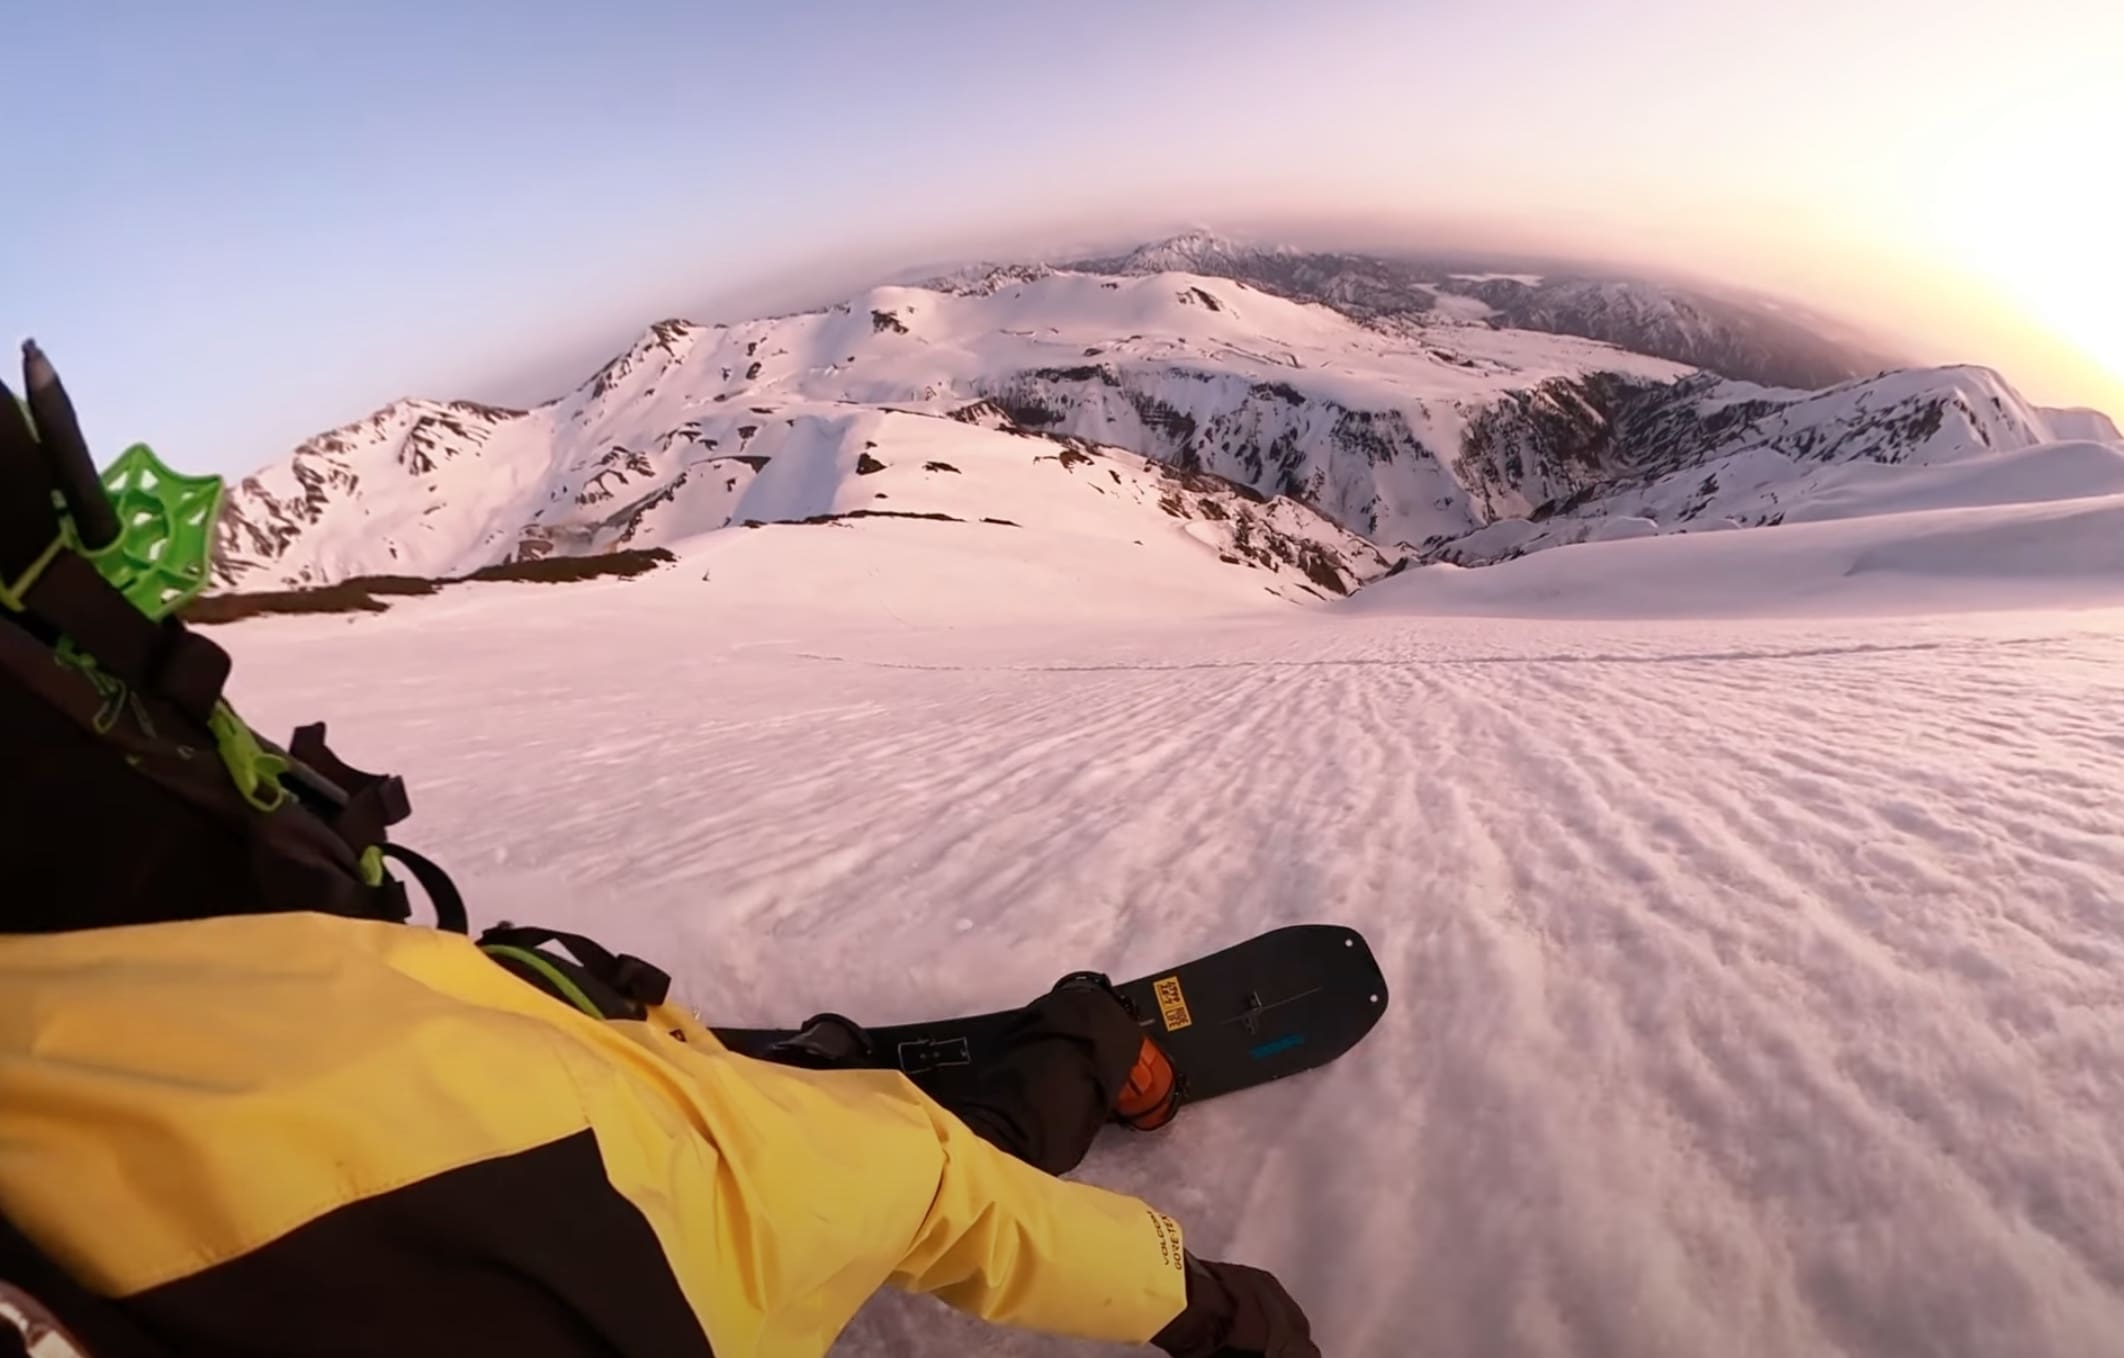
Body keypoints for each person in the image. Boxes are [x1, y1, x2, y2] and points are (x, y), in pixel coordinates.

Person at [0, 346, 1319, 1357]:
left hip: (487, 1096)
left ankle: (784, 1066)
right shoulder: (208, 1044)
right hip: (590, 1190)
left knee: (775, 1114)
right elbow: (935, 1192)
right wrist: (1218, 1305)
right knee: (916, 1159)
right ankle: (1074, 1056)